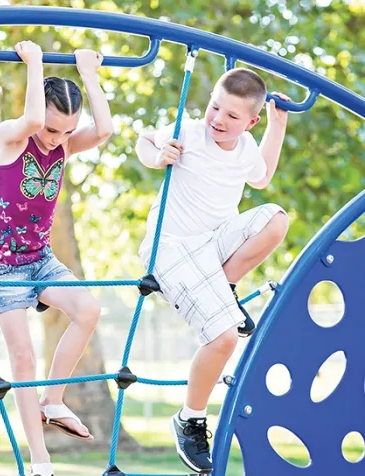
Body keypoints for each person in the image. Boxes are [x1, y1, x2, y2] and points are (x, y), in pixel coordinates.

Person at [136, 68, 291, 474]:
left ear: (251, 122)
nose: (219, 119)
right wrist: (157, 157)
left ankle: (228, 286)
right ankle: (190, 418)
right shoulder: (190, 130)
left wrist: (277, 126)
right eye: (215, 107)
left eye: (233, 116)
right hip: (172, 249)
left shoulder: (245, 148)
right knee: (223, 337)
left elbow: (262, 177)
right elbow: (144, 140)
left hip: (215, 244)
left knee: (275, 218)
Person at [0, 40, 113, 476]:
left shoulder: (64, 146)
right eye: (53, 129)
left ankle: (53, 399)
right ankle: (40, 457)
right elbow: (35, 119)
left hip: (40, 258)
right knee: (23, 359)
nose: (57, 137)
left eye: (66, 130)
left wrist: (88, 73)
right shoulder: (12, 137)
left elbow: (105, 129)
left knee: (89, 309)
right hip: (3, 265)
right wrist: (35, 63)